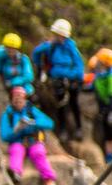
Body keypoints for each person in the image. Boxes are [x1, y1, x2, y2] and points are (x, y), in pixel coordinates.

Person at [31, 18, 87, 146]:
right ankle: (62, 130)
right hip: (57, 80)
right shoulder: (51, 46)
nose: (59, 38)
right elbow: (36, 54)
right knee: (61, 104)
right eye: (57, 35)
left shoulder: (70, 46)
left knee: (73, 103)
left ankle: (78, 128)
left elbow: (79, 64)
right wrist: (46, 45)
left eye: (60, 35)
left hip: (71, 80)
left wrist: (76, 78)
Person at [0, 84, 59, 185]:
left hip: (34, 140)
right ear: (11, 99)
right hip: (17, 141)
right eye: (15, 98)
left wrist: (33, 122)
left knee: (38, 152)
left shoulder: (32, 111)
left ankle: (48, 178)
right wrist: (17, 130)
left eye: (21, 98)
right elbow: (4, 135)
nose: (18, 100)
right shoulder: (8, 114)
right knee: (16, 151)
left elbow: (49, 123)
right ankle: (16, 173)